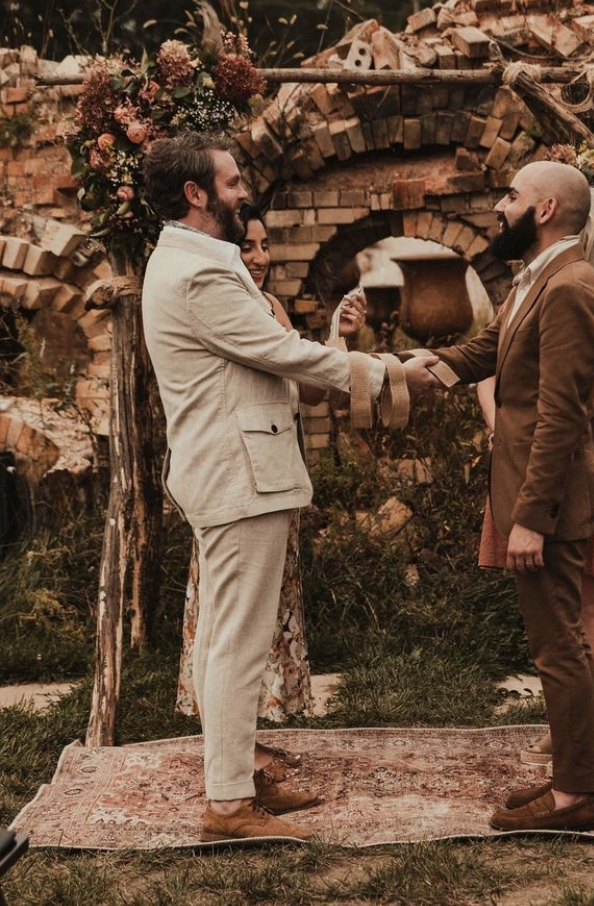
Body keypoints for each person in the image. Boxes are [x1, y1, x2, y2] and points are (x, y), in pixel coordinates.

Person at [141, 132, 387, 843]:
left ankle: (236, 782)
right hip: (237, 474)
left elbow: (268, 358)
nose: (243, 189)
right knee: (237, 641)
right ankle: (226, 805)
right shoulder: (201, 274)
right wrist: (382, 373)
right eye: (232, 179)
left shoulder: (195, 260)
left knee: (226, 636)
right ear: (197, 193)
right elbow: (276, 350)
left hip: (231, 469)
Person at [402, 160, 594, 832]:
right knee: (555, 644)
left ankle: (577, 796)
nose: (499, 205)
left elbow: (560, 414)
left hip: (547, 503)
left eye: (512, 196)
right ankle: (578, 778)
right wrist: (418, 372)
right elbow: (490, 350)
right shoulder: (537, 279)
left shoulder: (573, 287)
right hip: (531, 497)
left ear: (546, 208)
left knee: (560, 649)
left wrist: (530, 519)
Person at [477, 187, 594, 766]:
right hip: (529, 447)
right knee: (553, 599)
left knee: (591, 592)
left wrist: (530, 406)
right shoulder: (532, 288)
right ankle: (571, 722)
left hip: (591, 454)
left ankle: (588, 724)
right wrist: (510, 423)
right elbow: (494, 367)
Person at [238, 204, 365, 771]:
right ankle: (236, 743)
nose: (260, 257)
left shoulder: (269, 307)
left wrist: (337, 337)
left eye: (264, 245)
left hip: (280, 473)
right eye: (247, 246)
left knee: (270, 605)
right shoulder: (227, 307)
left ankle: (251, 733)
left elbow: (309, 391)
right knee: (241, 612)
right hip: (241, 480)